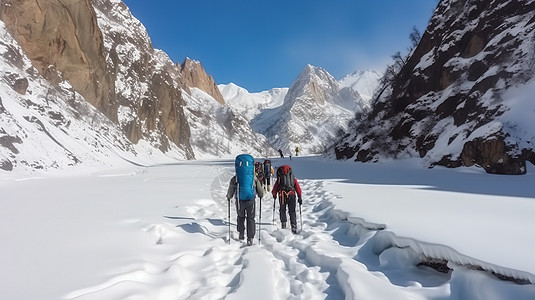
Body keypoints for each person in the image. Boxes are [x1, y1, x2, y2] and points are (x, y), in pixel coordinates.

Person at [226, 170, 265, 245]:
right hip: (251, 200)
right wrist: (260, 195)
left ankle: (241, 233)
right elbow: (260, 191)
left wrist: (229, 196)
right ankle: (250, 238)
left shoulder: (236, 178)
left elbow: (231, 188)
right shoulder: (253, 177)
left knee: (240, 217)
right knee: (250, 218)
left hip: (239, 200)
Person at [272, 165, 302, 233]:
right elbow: (297, 186)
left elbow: (275, 187)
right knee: (292, 211)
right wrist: (299, 196)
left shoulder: (280, 177)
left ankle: (283, 224)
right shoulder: (292, 177)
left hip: (282, 195)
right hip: (292, 194)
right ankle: (293, 225)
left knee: (282, 209)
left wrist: (274, 195)